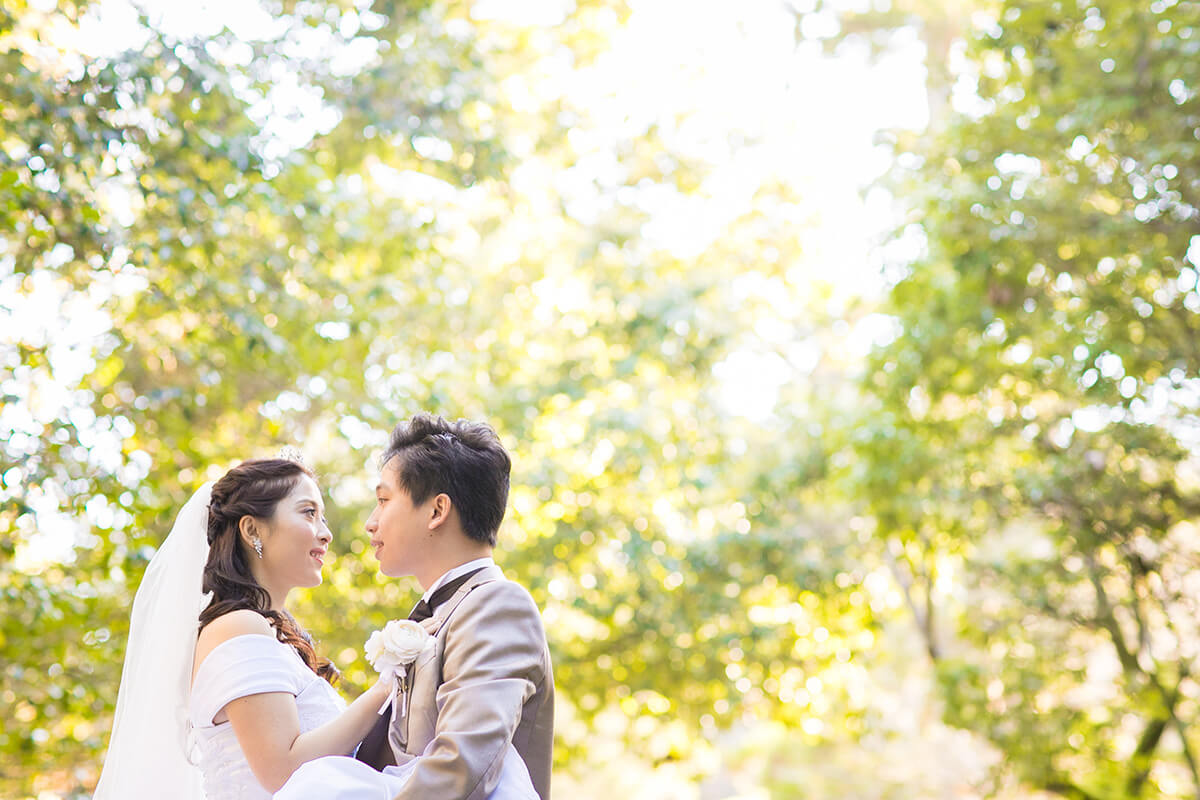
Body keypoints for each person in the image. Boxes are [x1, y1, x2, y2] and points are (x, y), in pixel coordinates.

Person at [94, 455, 537, 800]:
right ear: (253, 531)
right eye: (308, 513)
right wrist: (386, 687)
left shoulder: (269, 632)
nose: (325, 533)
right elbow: (282, 772)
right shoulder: (239, 628)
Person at [348, 413, 555, 800]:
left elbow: (460, 766)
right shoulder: (440, 613)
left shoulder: (498, 606)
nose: (370, 523)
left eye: (383, 500)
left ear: (437, 511)